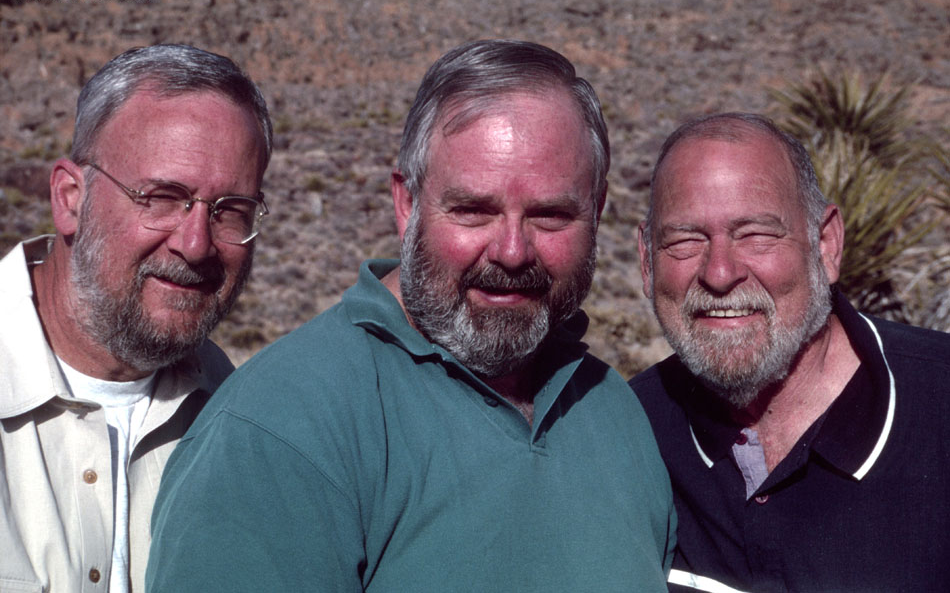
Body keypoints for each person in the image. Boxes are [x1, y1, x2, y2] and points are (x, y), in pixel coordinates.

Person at [146, 39, 676, 592]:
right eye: (473, 210)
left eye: (551, 215)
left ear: (598, 211)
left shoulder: (615, 412)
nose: (513, 251)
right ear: (407, 204)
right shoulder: (281, 430)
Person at [630, 112, 950, 592]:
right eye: (684, 240)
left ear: (825, 244)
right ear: (646, 260)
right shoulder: (627, 434)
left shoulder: (939, 407)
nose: (719, 273)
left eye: (756, 234)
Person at [0, 44, 272, 593]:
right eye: (161, 198)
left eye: (230, 212)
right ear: (70, 198)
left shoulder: (243, 420)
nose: (195, 245)